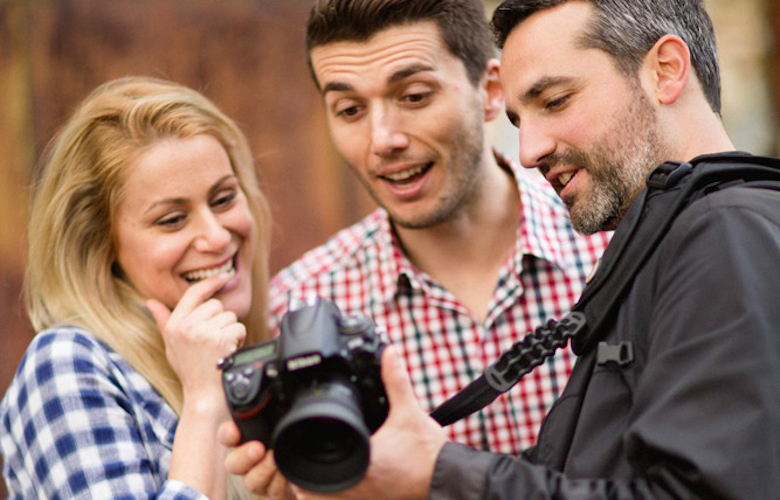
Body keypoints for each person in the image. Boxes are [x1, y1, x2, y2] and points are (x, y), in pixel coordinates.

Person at [223, 0, 780, 498]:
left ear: (666, 70)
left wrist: (436, 472)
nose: (530, 149)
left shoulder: (716, 228)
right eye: (348, 110)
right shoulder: (655, 236)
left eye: (556, 101)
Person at [270, 0, 610, 458]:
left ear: (491, 91)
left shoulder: (616, 240)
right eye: (350, 109)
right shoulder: (299, 310)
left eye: (414, 96)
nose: (383, 139)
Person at [0, 76, 272, 500]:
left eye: (223, 199)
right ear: (102, 245)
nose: (217, 236)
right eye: (172, 219)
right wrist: (203, 401)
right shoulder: (67, 366)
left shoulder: (262, 349)